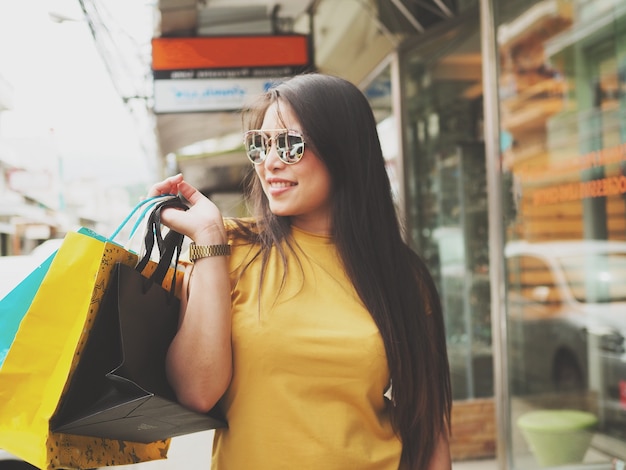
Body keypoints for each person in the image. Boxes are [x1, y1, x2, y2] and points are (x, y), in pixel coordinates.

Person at [148, 73, 452, 469]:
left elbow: (428, 428)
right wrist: (208, 235)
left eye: (290, 145)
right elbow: (197, 391)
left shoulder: (401, 276)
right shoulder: (228, 247)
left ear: (344, 151)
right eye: (260, 145)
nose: (270, 163)